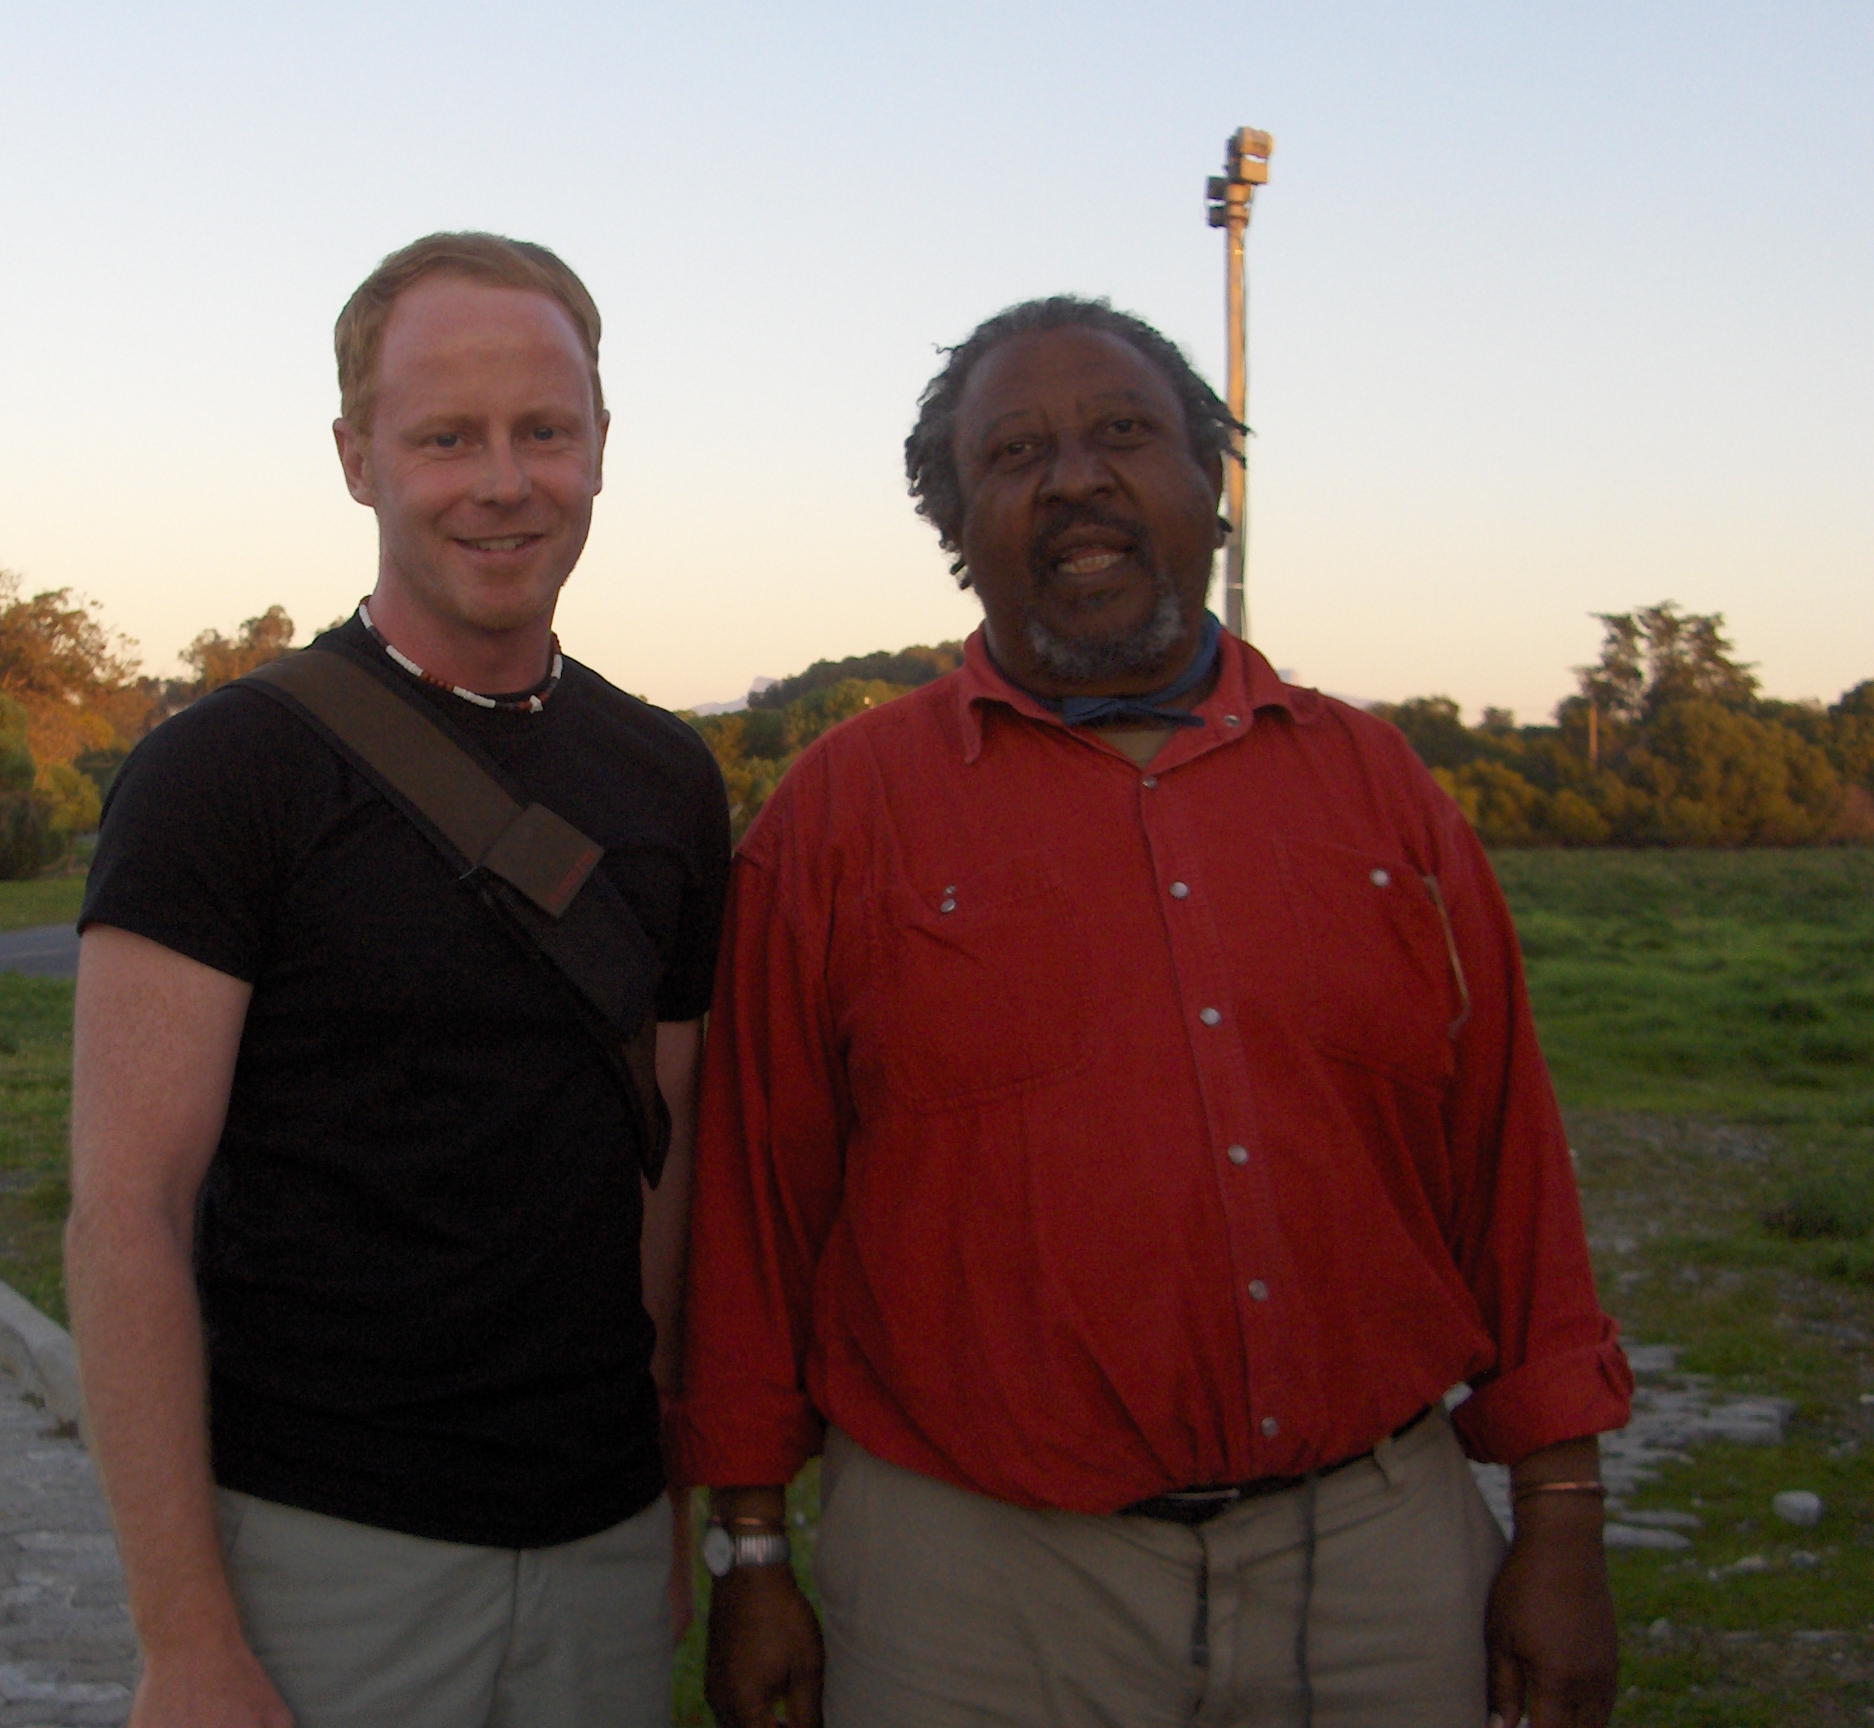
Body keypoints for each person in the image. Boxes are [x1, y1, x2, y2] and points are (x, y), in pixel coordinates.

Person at [678, 297, 1633, 1728]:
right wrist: (750, 1549)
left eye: (1124, 432)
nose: (1075, 478)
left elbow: (1506, 1168)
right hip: (976, 1588)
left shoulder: (1381, 792)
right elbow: (756, 1210)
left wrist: (1560, 1513)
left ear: (1210, 481)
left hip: (1374, 1559)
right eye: (1014, 454)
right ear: (958, 525)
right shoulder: (838, 817)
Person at [67, 233, 730, 1728]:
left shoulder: (667, 779)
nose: (503, 481)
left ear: (602, 446)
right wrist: (184, 1637)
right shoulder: (221, 775)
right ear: (357, 458)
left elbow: (665, 1157)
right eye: (446, 438)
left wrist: (672, 1496)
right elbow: (124, 1214)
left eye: (543, 431)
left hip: (603, 1539)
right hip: (322, 1549)